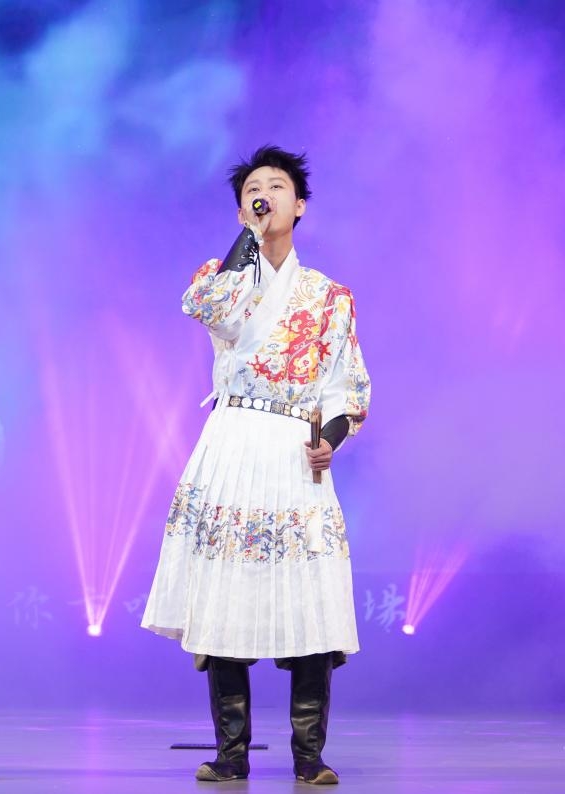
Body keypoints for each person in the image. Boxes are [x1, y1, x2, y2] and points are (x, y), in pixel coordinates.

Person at [141, 145, 371, 785]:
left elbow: (347, 387)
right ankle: (231, 753)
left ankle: (309, 755)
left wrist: (330, 439)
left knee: (310, 597)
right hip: (235, 439)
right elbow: (207, 309)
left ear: (301, 205)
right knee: (225, 596)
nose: (263, 195)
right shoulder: (222, 276)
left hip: (295, 449)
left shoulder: (329, 297)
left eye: (276, 187)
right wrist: (246, 241)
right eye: (251, 191)